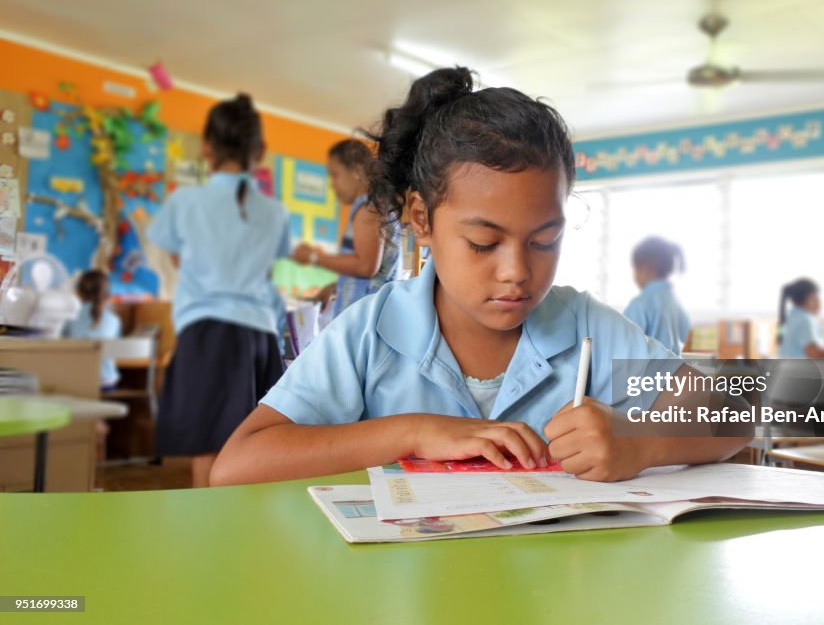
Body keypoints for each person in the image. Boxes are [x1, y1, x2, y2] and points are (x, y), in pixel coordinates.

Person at [211, 67, 748, 486]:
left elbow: (735, 415)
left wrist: (639, 442)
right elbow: (236, 466)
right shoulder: (370, 332)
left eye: (544, 241)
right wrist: (415, 432)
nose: (517, 272)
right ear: (421, 219)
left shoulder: (584, 325)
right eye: (483, 243)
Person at [148, 93, 291, 488]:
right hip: (260, 336)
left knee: (210, 453)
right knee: (257, 450)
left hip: (209, 334)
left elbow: (173, 256)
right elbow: (267, 267)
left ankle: (205, 540)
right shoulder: (275, 212)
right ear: (260, 151)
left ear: (207, 147)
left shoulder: (186, 201)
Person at [291, 139, 403, 318]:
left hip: (363, 320)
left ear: (357, 171)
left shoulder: (369, 209)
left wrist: (314, 257)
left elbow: (367, 266)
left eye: (335, 175)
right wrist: (333, 286)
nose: (332, 184)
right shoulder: (372, 206)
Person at [623, 236, 690, 354]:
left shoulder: (640, 304)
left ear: (647, 269)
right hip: (674, 369)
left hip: (648, 370)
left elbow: (625, 343)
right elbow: (687, 335)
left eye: (636, 270)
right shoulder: (674, 300)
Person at [64, 270, 121, 390]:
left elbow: (60, 346)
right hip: (106, 384)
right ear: (107, 294)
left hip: (78, 383)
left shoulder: (71, 317)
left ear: (78, 293)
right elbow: (115, 353)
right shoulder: (114, 321)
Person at [777, 278, 824, 359]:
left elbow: (807, 344)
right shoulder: (805, 320)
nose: (819, 303)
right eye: (815, 299)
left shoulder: (792, 315)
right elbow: (815, 354)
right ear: (802, 301)